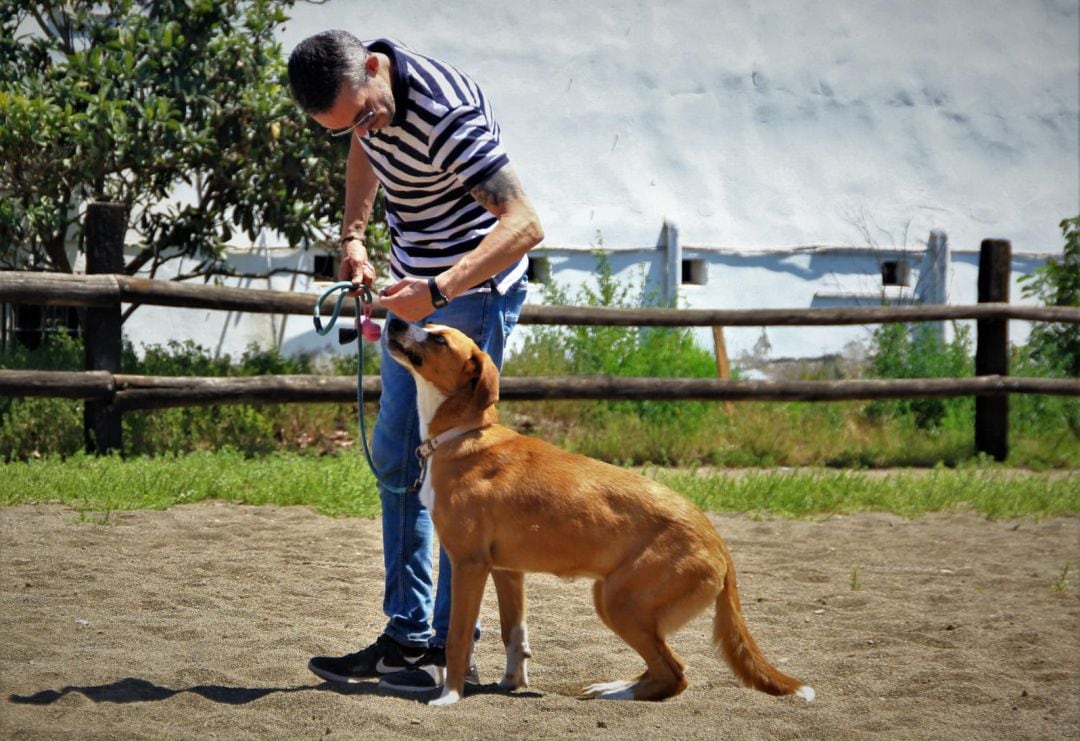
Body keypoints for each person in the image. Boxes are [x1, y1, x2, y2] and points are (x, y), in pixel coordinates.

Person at [287, 30, 543, 694]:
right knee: (399, 457)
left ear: (375, 68)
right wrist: (353, 235)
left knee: (457, 471)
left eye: (367, 112)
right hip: (412, 290)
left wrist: (439, 289)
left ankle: (453, 644)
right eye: (348, 124)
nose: (365, 128)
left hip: (471, 290)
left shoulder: (445, 115)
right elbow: (363, 151)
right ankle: (409, 638)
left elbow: (525, 224)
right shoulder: (366, 103)